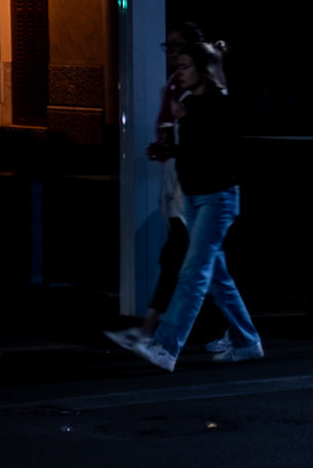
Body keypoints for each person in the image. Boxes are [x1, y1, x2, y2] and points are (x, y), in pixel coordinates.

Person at [108, 39, 262, 371]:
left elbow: (220, 150)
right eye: (177, 67)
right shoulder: (190, 102)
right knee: (217, 276)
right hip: (195, 195)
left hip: (217, 197)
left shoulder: (218, 105)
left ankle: (166, 346)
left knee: (194, 272)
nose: (178, 74)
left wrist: (187, 123)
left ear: (202, 68)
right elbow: (192, 150)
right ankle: (247, 341)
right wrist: (172, 143)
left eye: (184, 67)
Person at [136, 22, 205, 340]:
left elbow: (201, 142)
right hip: (180, 178)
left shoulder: (202, 95)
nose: (175, 61)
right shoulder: (176, 87)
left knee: (183, 255)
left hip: (197, 185)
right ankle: (234, 332)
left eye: (181, 54)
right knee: (198, 261)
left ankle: (156, 329)